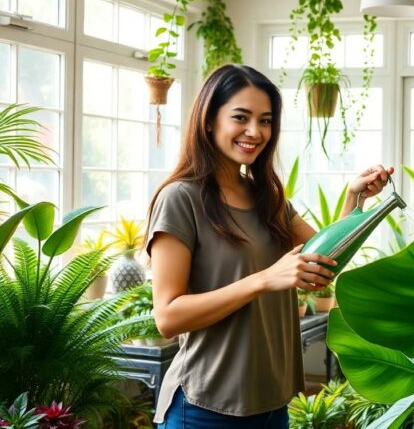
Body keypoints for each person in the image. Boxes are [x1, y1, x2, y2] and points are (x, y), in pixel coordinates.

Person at [146, 64, 394, 428]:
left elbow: (325, 261)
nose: (255, 131)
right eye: (241, 118)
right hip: (204, 408)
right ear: (209, 120)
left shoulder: (267, 197)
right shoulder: (181, 199)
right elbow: (167, 317)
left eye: (265, 120)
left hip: (272, 404)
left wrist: (353, 202)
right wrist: (264, 279)